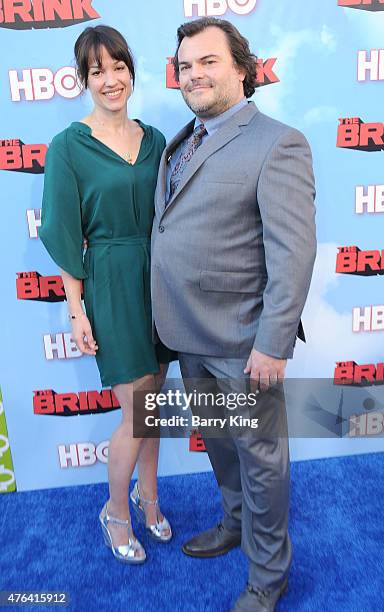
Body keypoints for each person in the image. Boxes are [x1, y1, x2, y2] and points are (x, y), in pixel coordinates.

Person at [151, 17, 316, 611]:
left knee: (262, 462)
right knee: (220, 442)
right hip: (187, 332)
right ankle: (235, 522)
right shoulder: (182, 137)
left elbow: (293, 254)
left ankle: (269, 578)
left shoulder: (278, 141)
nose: (193, 74)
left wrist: (272, 344)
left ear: (242, 68)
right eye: (185, 65)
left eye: (208, 62)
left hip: (244, 341)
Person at [40, 25, 175, 565]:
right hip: (112, 283)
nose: (111, 79)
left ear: (131, 72)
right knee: (136, 413)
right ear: (84, 80)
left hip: (161, 280)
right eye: (98, 71)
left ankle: (150, 499)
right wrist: (76, 310)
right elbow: (63, 231)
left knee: (155, 408)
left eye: (118, 67)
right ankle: (115, 512)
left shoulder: (157, 139)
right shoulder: (68, 147)